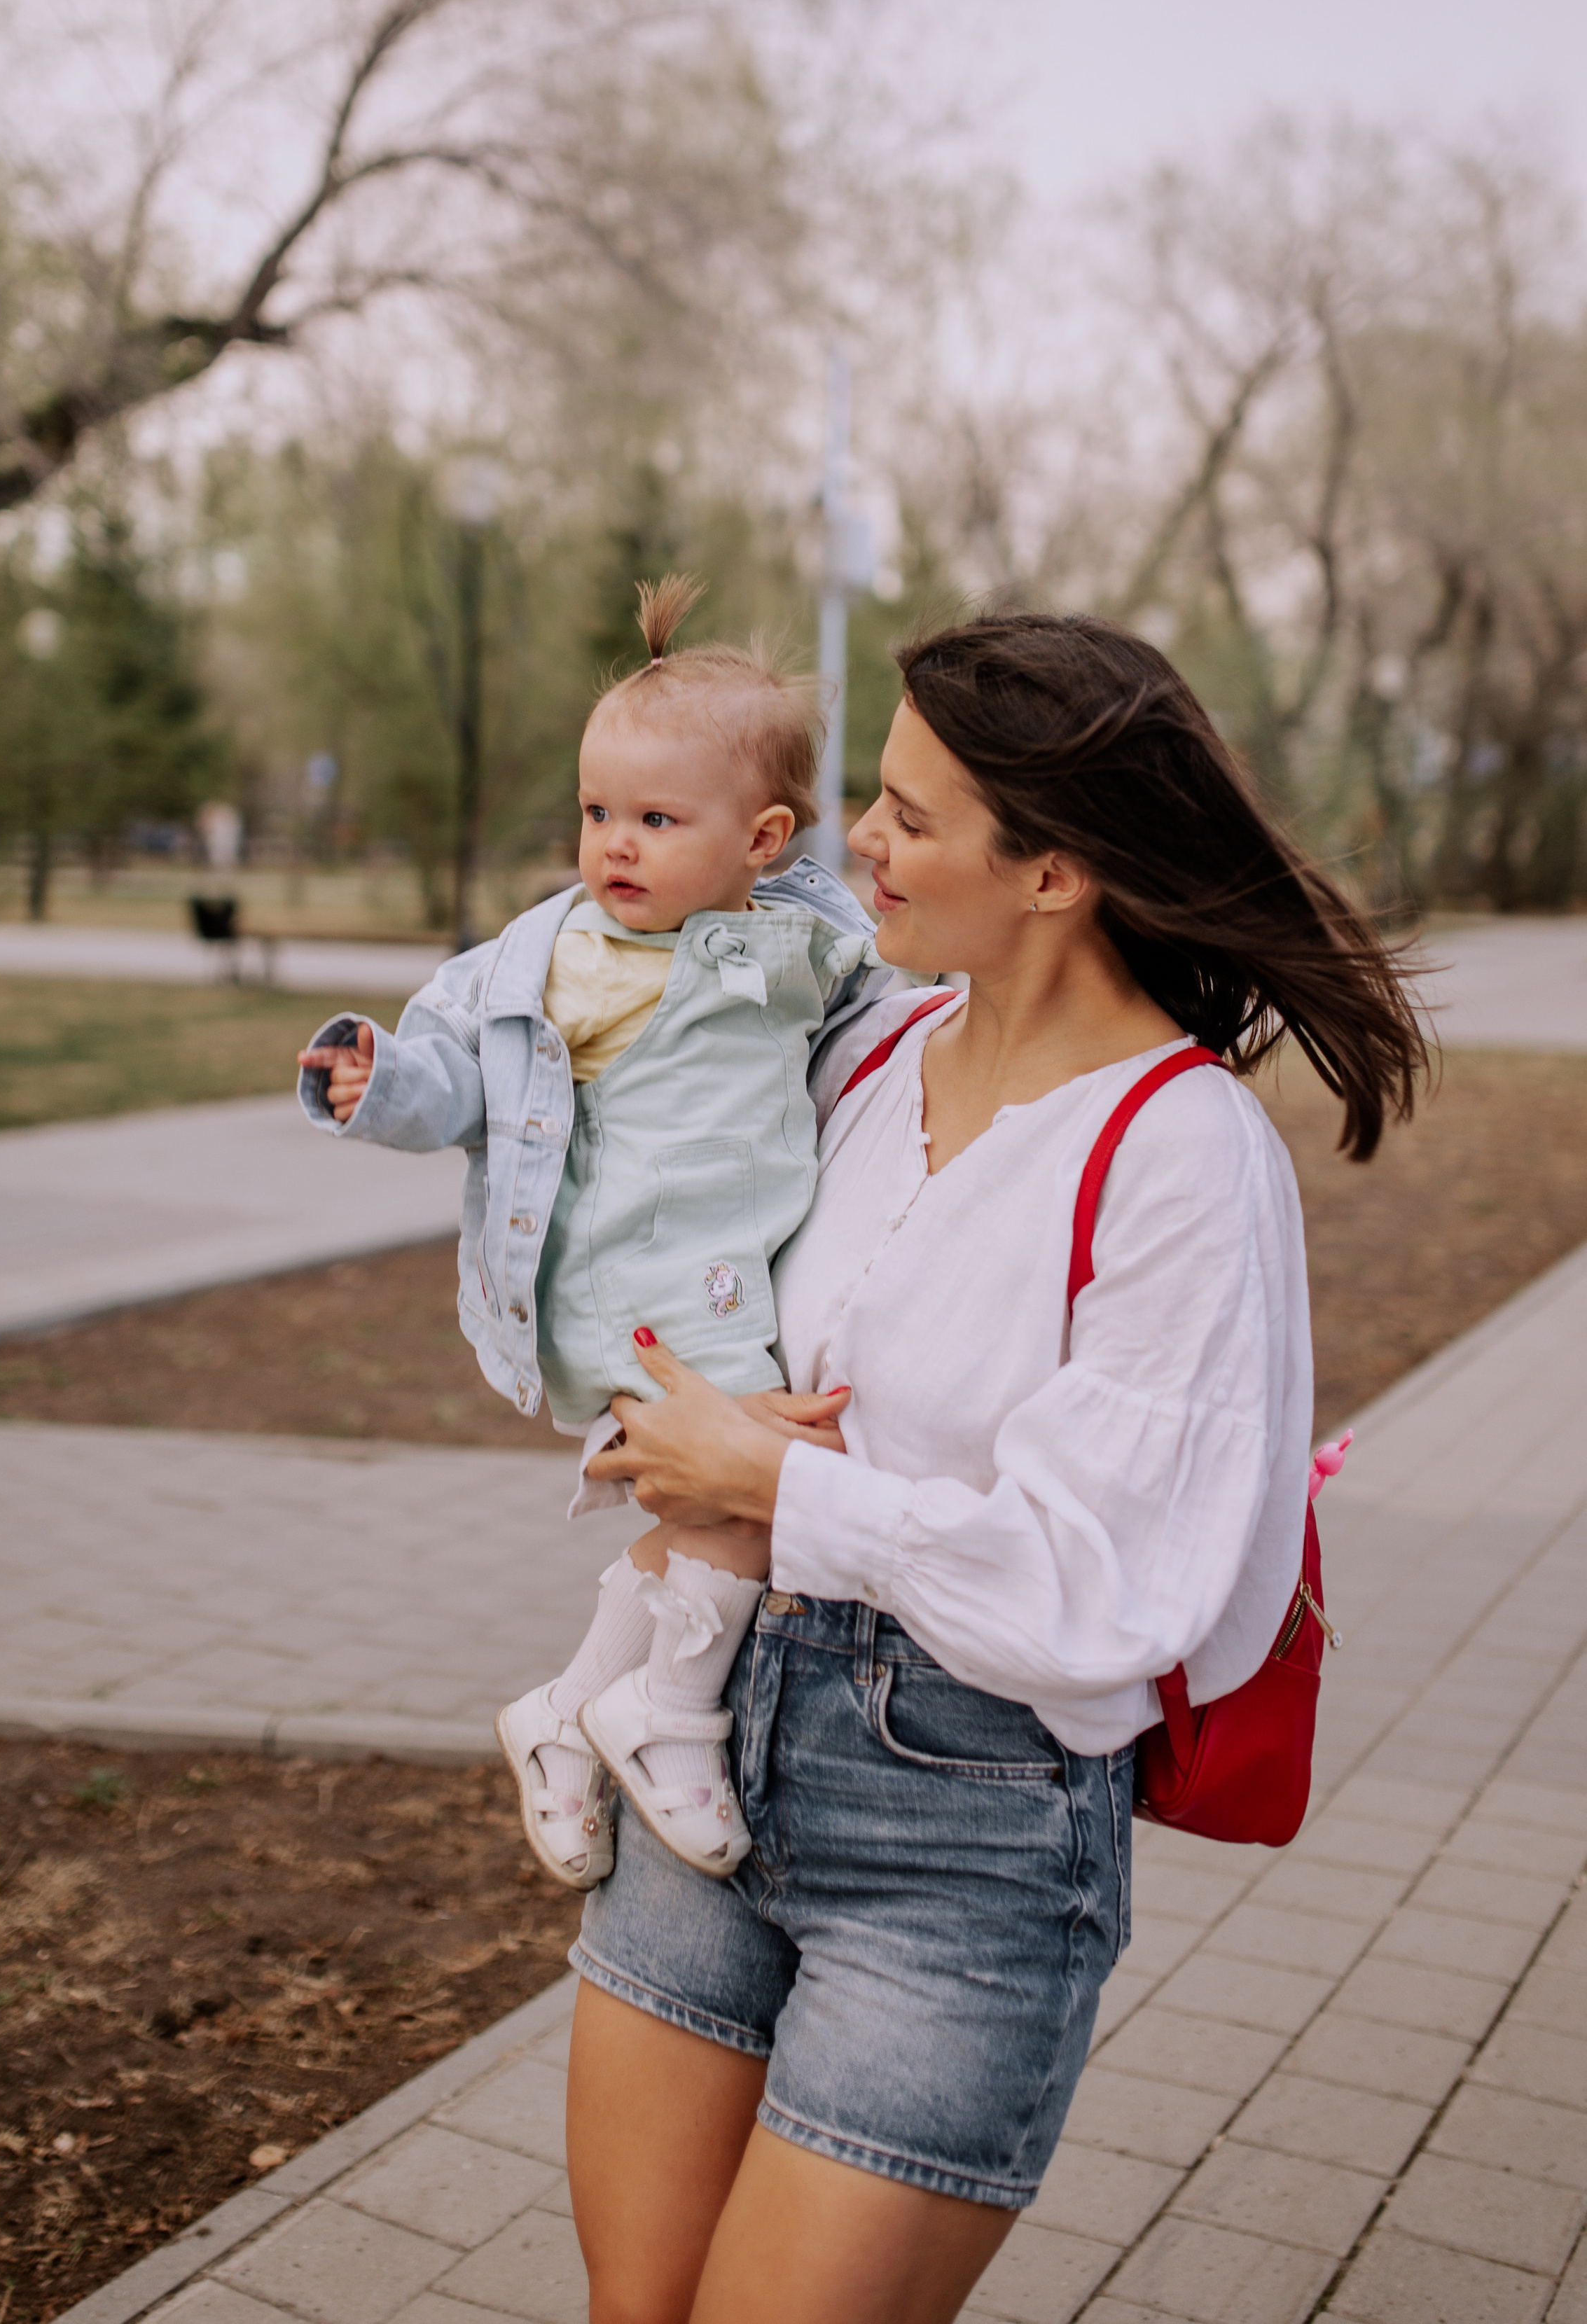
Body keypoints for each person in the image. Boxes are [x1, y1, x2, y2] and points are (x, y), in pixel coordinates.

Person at [563, 612, 1426, 2324]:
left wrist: (773, 1482)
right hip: (712, 1762)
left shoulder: (1180, 1151)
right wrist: (652, 1418)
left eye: (905, 815)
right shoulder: (868, 1053)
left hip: (959, 1842)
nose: (852, 842)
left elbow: (1102, 1585)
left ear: (1054, 873)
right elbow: (702, 1295)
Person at [296, 578, 908, 1890]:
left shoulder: (801, 931)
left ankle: (568, 1715)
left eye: (654, 819)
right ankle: (668, 1715)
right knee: (749, 1499)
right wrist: (379, 1082)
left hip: (719, 1281)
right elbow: (462, 1078)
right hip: (632, 1284)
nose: (613, 845)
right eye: (595, 813)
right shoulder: (563, 959)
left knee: (701, 1514)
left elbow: (900, 1014)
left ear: (764, 841)